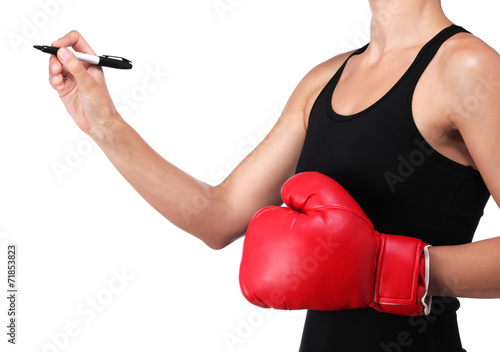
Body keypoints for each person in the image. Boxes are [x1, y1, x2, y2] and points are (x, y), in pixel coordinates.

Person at [46, 0, 500, 351]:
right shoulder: (323, 81)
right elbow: (218, 217)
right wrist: (105, 124)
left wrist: (388, 269)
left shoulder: (467, 68)